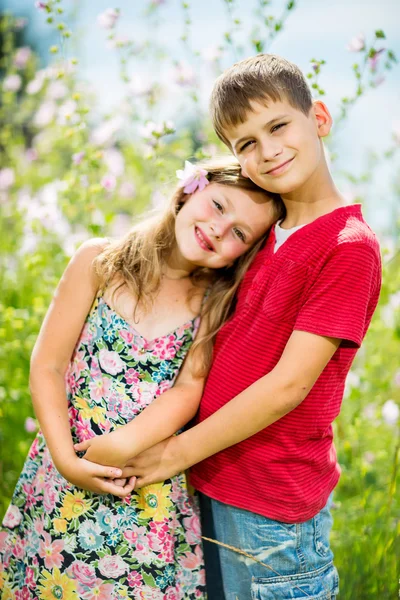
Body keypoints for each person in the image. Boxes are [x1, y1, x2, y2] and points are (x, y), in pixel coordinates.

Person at [109, 55, 382, 599]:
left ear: (319, 119)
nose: (268, 150)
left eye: (278, 126)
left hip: (272, 512)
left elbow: (288, 386)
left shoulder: (348, 246)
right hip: (215, 483)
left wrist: (171, 455)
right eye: (246, 144)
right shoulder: (263, 232)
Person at [0, 158, 282, 599]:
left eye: (240, 235)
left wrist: (128, 442)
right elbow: (48, 365)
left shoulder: (210, 303)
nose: (218, 230)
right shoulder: (101, 261)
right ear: (191, 189)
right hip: (61, 475)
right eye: (218, 206)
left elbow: (189, 389)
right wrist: (67, 461)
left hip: (143, 494)